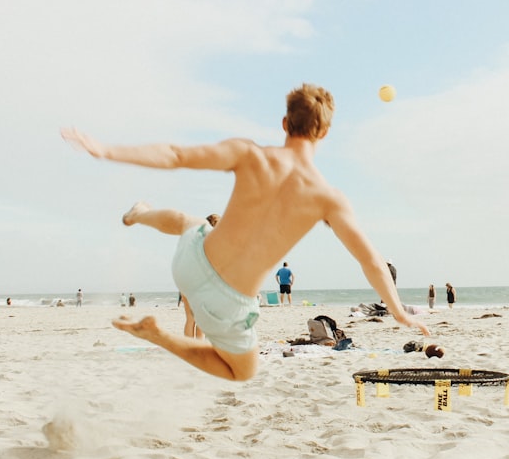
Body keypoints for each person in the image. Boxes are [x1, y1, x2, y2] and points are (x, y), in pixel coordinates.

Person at [61, 83, 429, 381]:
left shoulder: (249, 154)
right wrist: (398, 311)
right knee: (242, 371)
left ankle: (141, 214)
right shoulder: (328, 198)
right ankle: (158, 336)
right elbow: (371, 262)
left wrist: (105, 149)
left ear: (285, 123)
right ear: (326, 132)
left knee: (194, 224)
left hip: (190, 264)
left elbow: (175, 155)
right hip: (227, 303)